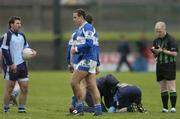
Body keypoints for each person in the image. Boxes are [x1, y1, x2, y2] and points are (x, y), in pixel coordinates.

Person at [69, 9, 102, 116]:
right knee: (92, 86)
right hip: (88, 60)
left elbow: (89, 44)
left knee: (74, 82)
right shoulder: (80, 29)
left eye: (75, 17)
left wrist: (76, 49)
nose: (73, 19)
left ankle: (79, 109)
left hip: (87, 59)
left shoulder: (88, 27)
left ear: (81, 17)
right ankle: (98, 111)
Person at [1, 16, 37, 113]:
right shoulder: (6, 36)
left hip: (22, 66)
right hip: (12, 66)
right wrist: (11, 64)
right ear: (11, 24)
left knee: (24, 88)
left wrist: (32, 52)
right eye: (17, 23)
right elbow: (4, 51)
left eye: (20, 23)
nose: (19, 25)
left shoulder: (22, 35)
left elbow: (26, 48)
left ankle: (21, 109)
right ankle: (6, 109)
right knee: (9, 89)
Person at [151, 21, 178, 113]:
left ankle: (173, 107)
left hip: (169, 65)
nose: (158, 33)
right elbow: (155, 54)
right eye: (156, 31)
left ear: (164, 29)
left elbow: (174, 53)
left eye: (159, 31)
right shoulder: (156, 40)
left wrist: (162, 50)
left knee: (171, 86)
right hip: (160, 65)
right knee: (162, 87)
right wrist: (155, 52)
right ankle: (165, 108)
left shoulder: (171, 39)